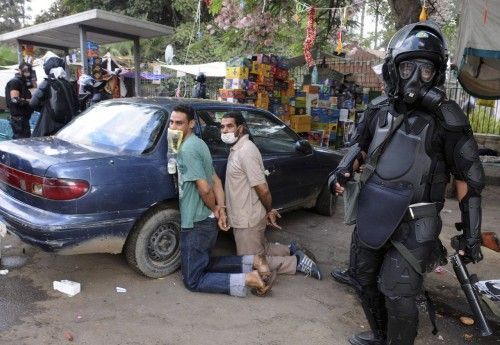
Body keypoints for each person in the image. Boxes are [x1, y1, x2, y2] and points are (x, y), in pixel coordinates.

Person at [328, 21, 484, 345]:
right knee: (363, 279)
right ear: (393, 68)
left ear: (437, 74)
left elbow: (470, 177)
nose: (415, 77)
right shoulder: (377, 110)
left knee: (398, 291)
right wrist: (340, 172)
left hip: (416, 220)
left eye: (426, 70)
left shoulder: (448, 120)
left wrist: (471, 236)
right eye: (408, 66)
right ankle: (380, 335)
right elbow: (358, 146)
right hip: (373, 211)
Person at [169, 104, 276, 297]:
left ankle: (248, 278)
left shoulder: (188, 150)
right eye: (172, 122)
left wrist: (216, 208)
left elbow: (205, 188)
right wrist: (220, 209)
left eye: (179, 123)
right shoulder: (198, 143)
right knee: (203, 261)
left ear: (191, 124)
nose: (174, 127)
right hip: (206, 219)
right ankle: (253, 261)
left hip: (196, 220)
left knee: (192, 280)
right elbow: (216, 179)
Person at [220, 111, 322, 280]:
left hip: (248, 218)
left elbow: (263, 189)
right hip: (245, 215)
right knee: (261, 248)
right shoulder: (237, 148)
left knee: (250, 261)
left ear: (241, 128)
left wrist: (269, 210)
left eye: (229, 126)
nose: (224, 130)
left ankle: (296, 262)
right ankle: (291, 249)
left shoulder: (246, 151)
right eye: (222, 126)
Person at [30, 57, 79, 137]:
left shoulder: (47, 82)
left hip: (48, 125)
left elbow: (33, 103)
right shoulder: (68, 84)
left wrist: (45, 107)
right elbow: (77, 105)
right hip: (67, 125)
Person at [4, 62, 34, 139]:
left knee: (25, 140)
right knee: (21, 141)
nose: (27, 72)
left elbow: (34, 85)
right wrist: (30, 101)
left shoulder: (23, 82)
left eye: (29, 70)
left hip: (23, 118)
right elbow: (15, 99)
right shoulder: (15, 81)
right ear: (20, 70)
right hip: (19, 119)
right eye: (25, 70)